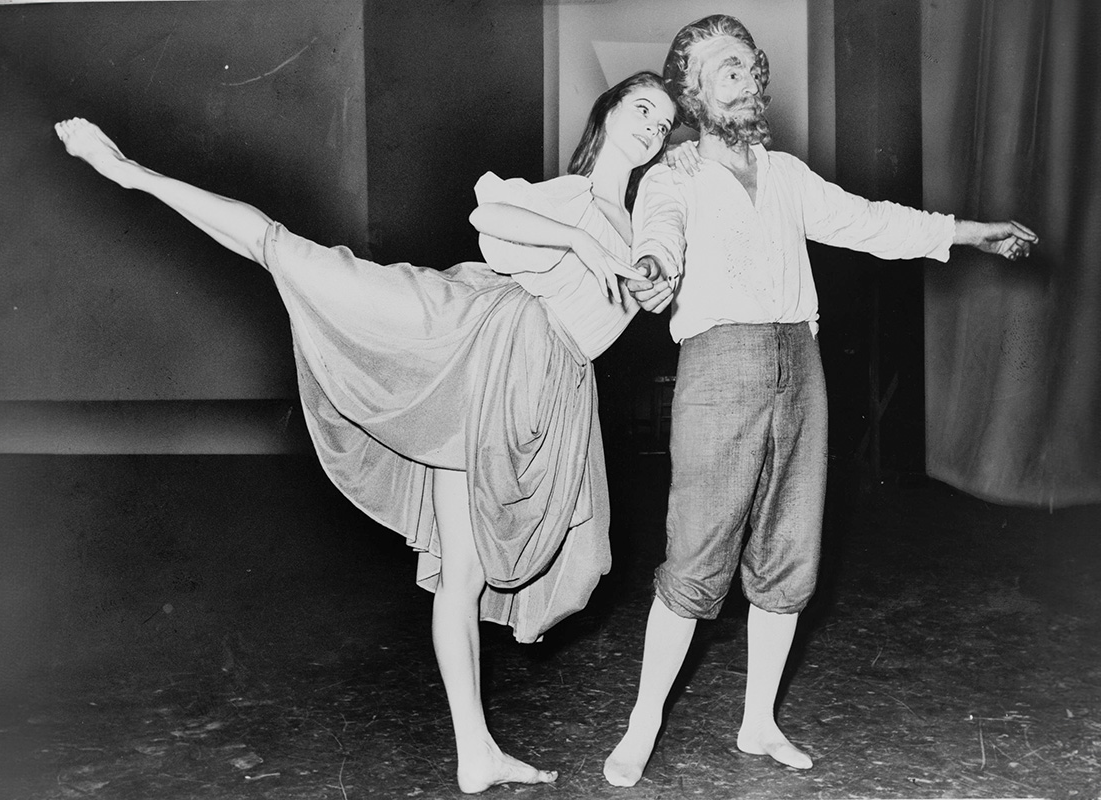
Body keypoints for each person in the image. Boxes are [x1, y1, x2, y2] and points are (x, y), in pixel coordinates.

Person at [55, 70, 677, 794]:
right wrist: (583, 240)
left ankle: (475, 752)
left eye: (665, 125)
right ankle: (130, 172)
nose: (652, 128)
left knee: (502, 572)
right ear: (606, 115)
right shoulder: (569, 197)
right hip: (476, 345)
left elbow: (628, 305)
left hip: (545, 395)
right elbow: (491, 218)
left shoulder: (640, 230)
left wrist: (651, 281)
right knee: (288, 252)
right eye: (641, 109)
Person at [603, 15, 1038, 787]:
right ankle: (641, 728)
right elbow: (658, 239)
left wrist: (971, 232)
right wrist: (650, 266)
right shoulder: (671, 179)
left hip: (800, 367)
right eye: (721, 65)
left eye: (747, 60)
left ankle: (759, 722)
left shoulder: (789, 177)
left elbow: (873, 222)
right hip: (719, 364)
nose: (742, 71)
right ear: (693, 91)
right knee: (696, 555)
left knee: (790, 552)